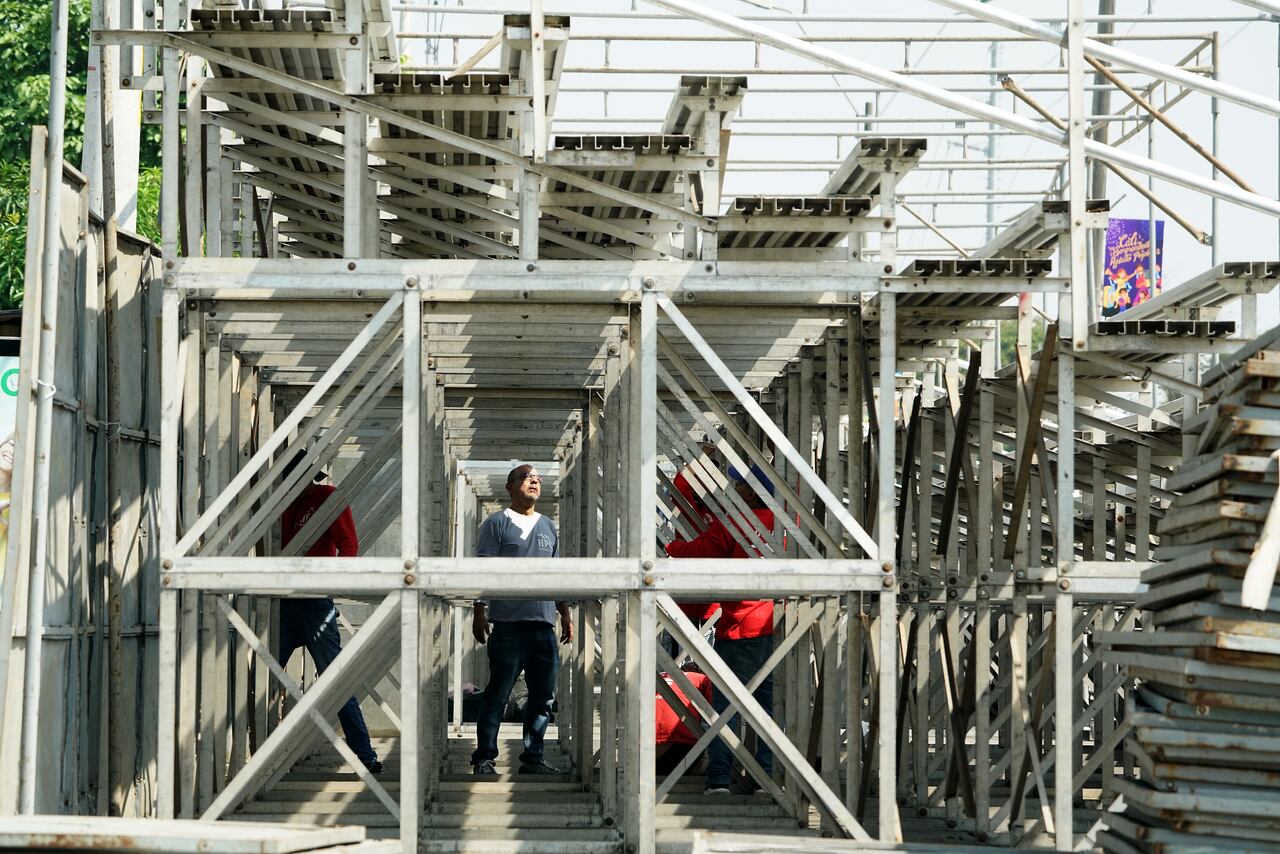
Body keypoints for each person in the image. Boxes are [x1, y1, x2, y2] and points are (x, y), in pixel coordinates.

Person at [665, 463, 777, 794]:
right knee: (769, 708)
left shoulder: (735, 523)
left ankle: (719, 778)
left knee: (725, 707)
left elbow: (701, 550)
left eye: (738, 484)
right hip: (778, 624)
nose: (732, 488)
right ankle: (765, 779)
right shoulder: (788, 523)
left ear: (749, 490)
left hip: (738, 628)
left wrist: (671, 550)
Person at [276, 452, 381, 774]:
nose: (300, 484)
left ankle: (364, 756)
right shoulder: (279, 504)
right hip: (281, 599)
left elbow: (348, 545)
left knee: (335, 679)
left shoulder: (327, 498)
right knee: (259, 678)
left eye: (305, 477)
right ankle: (263, 754)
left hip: (314, 602)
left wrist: (329, 584)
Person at [471, 463, 573, 776]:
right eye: (527, 478)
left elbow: (556, 574)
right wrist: (479, 609)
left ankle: (533, 758)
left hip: (543, 626)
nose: (534, 482)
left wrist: (564, 611)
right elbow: (483, 569)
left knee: (543, 697)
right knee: (497, 694)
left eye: (537, 479)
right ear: (510, 487)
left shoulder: (547, 526)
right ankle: (485, 758)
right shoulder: (496, 523)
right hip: (509, 626)